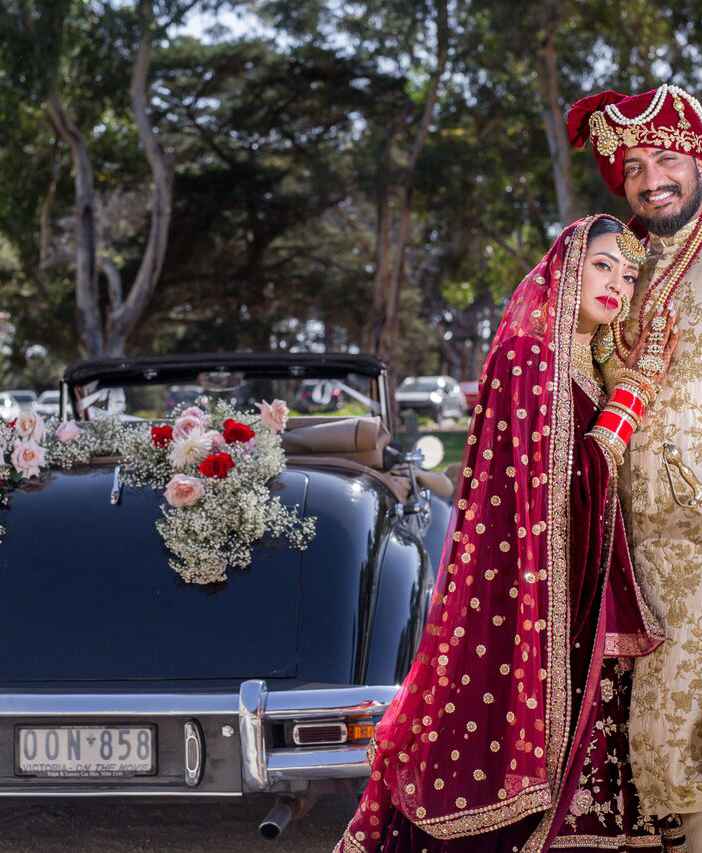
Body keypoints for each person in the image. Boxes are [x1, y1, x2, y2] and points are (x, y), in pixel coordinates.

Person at [334, 214, 680, 853]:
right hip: (528, 592)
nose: (618, 287)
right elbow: (563, 483)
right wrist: (630, 399)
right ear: (568, 267)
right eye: (604, 266)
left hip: (574, 591)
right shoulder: (531, 355)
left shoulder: (578, 361)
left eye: (630, 278)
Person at [568, 84, 702, 851]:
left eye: (667, 157)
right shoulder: (629, 262)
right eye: (635, 165)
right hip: (634, 533)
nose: (652, 176)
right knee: (654, 722)